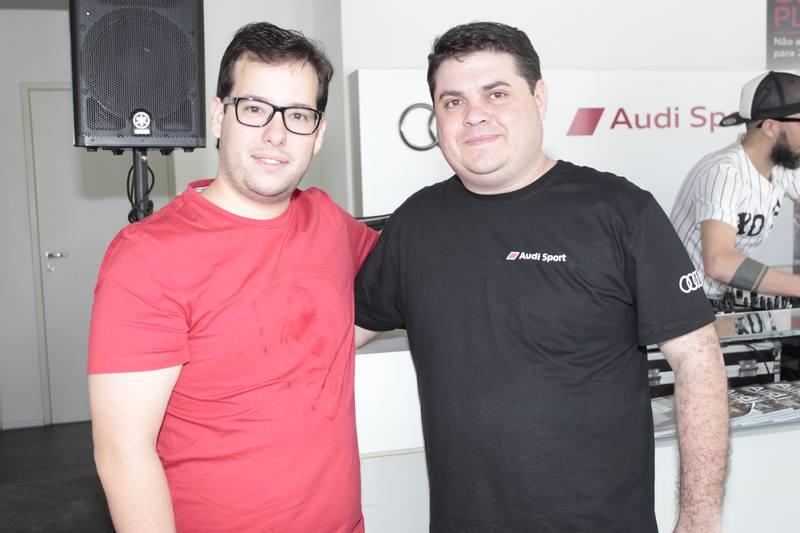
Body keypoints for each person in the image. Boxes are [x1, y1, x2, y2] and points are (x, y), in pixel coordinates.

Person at [354, 21, 729, 532]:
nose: (474, 114)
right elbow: (334, 335)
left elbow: (699, 363)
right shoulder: (415, 225)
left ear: (539, 98)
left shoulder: (620, 211)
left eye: (496, 93)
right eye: (453, 101)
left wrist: (700, 521)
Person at [88, 22, 377, 532]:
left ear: (318, 134)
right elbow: (123, 454)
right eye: (255, 108)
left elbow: (394, 286)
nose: (276, 134)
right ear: (220, 116)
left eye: (298, 115)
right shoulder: (147, 257)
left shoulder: (328, 222)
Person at [671, 71, 800, 301]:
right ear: (770, 127)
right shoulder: (724, 172)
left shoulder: (781, 167)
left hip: (716, 301)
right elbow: (719, 262)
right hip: (680, 303)